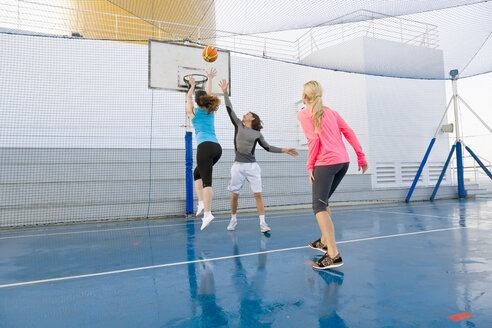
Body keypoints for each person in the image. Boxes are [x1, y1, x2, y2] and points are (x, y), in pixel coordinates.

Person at [297, 80, 368, 270]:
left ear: (304, 96)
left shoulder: (304, 114)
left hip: (326, 164)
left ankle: (333, 254)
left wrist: (310, 165)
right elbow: (349, 132)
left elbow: (313, 140)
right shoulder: (332, 112)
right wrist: (361, 157)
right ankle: (323, 241)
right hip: (343, 163)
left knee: (318, 206)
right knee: (324, 201)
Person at [218, 79, 298, 233]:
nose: (244, 114)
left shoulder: (257, 134)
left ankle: (263, 224)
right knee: (235, 195)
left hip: (252, 167)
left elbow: (268, 147)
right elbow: (229, 109)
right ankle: (233, 219)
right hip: (237, 166)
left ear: (252, 118)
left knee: (258, 194)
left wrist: (285, 150)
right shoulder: (238, 125)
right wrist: (225, 92)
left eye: (247, 114)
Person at [186, 68, 222, 230]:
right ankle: (201, 203)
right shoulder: (209, 110)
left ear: (195, 100)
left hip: (205, 147)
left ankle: (208, 213)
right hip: (216, 148)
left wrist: (191, 86)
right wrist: (209, 78)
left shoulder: (193, 112)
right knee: (197, 174)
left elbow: (188, 98)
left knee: (207, 182)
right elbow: (206, 95)